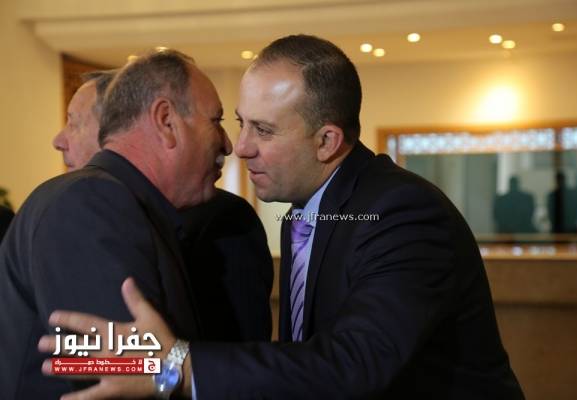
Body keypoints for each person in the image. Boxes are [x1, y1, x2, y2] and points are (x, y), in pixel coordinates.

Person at [40, 35, 524, 399]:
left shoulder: (401, 211)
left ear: (326, 141)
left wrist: (180, 368)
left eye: (264, 130)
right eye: (239, 123)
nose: (240, 147)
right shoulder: (307, 211)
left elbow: (357, 362)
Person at [1, 49, 234, 399]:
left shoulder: (119, 202)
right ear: (166, 121)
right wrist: (174, 371)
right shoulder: (89, 203)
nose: (228, 144)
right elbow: (116, 378)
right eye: (216, 121)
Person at [53, 69, 273, 342]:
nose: (58, 140)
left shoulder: (223, 219)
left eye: (74, 123)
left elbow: (238, 350)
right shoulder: (85, 207)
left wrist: (172, 362)